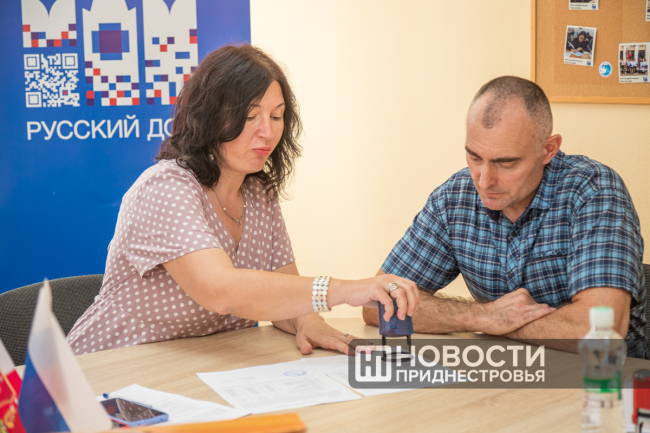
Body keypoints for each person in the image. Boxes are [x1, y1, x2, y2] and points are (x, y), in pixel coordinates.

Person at [67, 44, 419, 356]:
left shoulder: (259, 192)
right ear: (209, 118)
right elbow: (221, 291)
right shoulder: (164, 188)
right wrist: (344, 290)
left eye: (277, 116)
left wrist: (308, 320)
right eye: (250, 116)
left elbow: (281, 294)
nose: (268, 131)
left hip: (193, 367)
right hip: (109, 368)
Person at [363, 76, 647, 359]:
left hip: (609, 374)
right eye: (475, 158)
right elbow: (377, 304)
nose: (484, 180)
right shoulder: (454, 198)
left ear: (548, 149)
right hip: (508, 369)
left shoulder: (594, 191)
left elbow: (600, 332)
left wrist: (502, 325)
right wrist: (481, 317)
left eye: (506, 163)